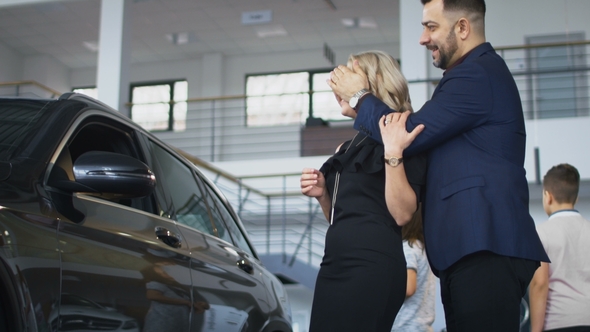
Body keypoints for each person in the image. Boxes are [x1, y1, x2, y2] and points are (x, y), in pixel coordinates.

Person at [327, 0, 549, 331]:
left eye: (431, 27)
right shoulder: (467, 76)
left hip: (483, 246)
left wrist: (360, 96)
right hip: (470, 248)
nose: (422, 38)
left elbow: (408, 133)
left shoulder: (476, 73)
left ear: (462, 28)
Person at [300, 50, 427, 332]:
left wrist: (393, 153)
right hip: (334, 265)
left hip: (373, 265)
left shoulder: (403, 133)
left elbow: (403, 213)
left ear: (374, 81)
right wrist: (324, 194)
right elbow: (339, 217)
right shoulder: (346, 148)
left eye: (349, 77)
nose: (338, 86)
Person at [529, 164, 590, 332]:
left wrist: (535, 330)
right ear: (575, 198)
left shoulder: (541, 233)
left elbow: (540, 284)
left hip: (559, 322)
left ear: (548, 197)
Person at [391, 208, 436, 332]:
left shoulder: (408, 248)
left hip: (407, 325)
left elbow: (409, 288)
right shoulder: (421, 248)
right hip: (421, 325)